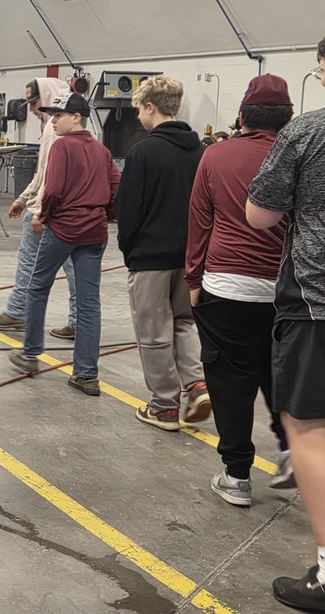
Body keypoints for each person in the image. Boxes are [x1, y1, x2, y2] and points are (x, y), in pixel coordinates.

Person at [247, 23, 325, 611]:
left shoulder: (311, 130)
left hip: (323, 303)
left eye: (321, 69)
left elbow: (260, 214)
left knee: (308, 429)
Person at [185, 74, 294, 507]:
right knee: (279, 373)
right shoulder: (297, 154)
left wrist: (193, 280)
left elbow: (200, 220)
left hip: (226, 285)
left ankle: (236, 476)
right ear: (288, 119)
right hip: (285, 289)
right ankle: (292, 450)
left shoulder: (216, 155)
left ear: (242, 116)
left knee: (230, 382)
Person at [7, 93, 119, 395]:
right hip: (94, 232)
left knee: (37, 287)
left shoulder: (61, 146)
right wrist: (107, 215)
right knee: (89, 302)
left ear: (76, 118)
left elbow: (54, 189)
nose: (53, 121)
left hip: (64, 229)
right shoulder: (102, 151)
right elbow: (115, 187)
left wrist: (43, 216)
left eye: (59, 115)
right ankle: (86, 373)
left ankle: (30, 353)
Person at [116, 76, 209, 432]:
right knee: (184, 322)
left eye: (139, 109)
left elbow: (128, 210)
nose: (138, 116)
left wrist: (131, 251)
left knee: (154, 332)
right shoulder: (200, 152)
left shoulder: (142, 152)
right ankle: (196, 384)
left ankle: (164, 407)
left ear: (151, 107)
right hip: (190, 258)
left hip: (151, 257)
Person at [0, 77, 77, 339]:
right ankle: (76, 320)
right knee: (73, 268)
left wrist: (40, 212)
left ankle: (19, 312)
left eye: (34, 103)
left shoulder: (54, 131)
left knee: (32, 263)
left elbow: (53, 179)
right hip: (62, 211)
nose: (32, 109)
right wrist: (23, 199)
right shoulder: (57, 128)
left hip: (52, 212)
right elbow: (42, 173)